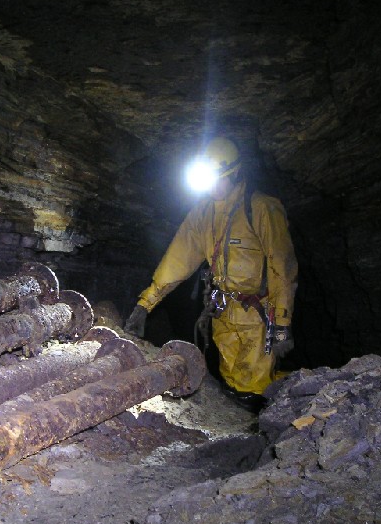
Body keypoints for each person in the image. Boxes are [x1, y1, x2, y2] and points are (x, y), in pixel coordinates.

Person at [123, 136, 298, 411]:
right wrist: (146, 304)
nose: (213, 187)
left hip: (257, 317)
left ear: (235, 172)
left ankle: (270, 423)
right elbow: (177, 261)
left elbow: (281, 267)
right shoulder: (202, 214)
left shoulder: (261, 208)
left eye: (219, 179)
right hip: (222, 313)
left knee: (254, 387)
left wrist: (282, 324)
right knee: (231, 383)